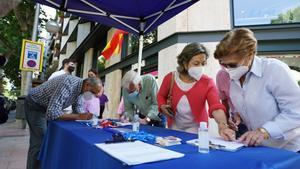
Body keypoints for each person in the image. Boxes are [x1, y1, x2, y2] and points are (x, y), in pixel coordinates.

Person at [214, 28, 300, 152]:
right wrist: (237, 115)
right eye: (223, 64)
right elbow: (252, 105)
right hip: (259, 149)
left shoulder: (274, 70)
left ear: (250, 54)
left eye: (232, 65)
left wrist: (264, 131)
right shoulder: (231, 76)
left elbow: (296, 111)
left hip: (288, 150)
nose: (227, 69)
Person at [157, 43, 235, 138]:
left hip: (197, 128)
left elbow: (216, 106)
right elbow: (161, 95)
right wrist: (162, 106)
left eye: (203, 63)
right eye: (196, 63)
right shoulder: (170, 78)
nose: (200, 67)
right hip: (174, 125)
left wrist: (223, 125)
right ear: (185, 63)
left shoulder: (207, 82)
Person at [25, 75, 101, 169]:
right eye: (93, 92)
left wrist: (87, 117)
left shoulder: (82, 89)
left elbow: (77, 108)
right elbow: (52, 113)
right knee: (40, 142)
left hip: (46, 107)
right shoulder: (68, 83)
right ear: (87, 84)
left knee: (51, 139)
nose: (92, 96)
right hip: (35, 105)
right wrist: (79, 116)